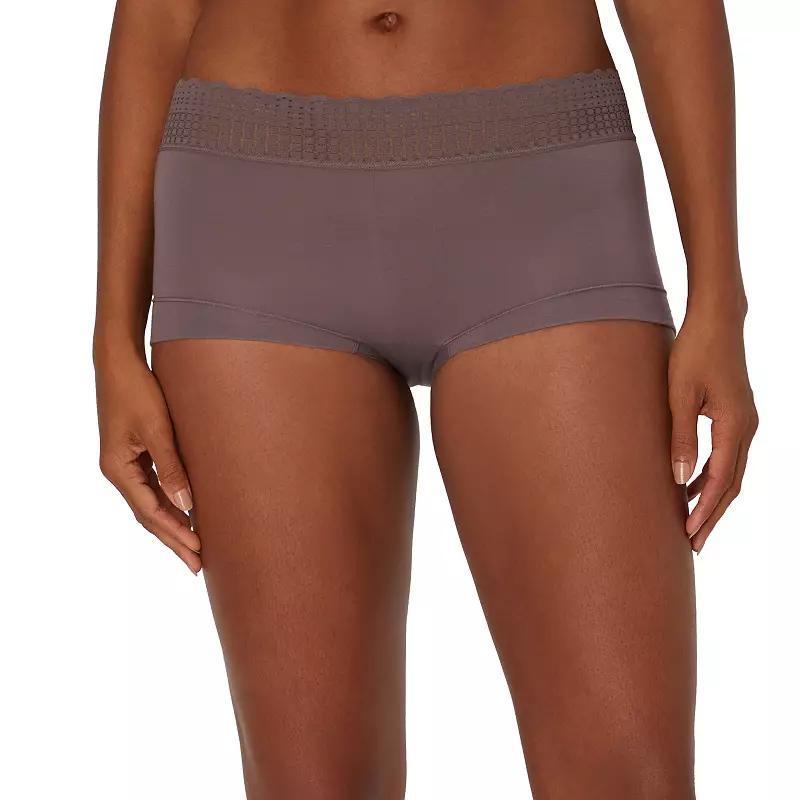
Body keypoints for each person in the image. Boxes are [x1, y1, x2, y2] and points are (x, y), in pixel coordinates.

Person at [94, 1, 757, 797]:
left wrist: (720, 298)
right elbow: (160, 12)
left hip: (541, 194)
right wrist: (112, 336)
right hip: (249, 210)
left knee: (628, 778)